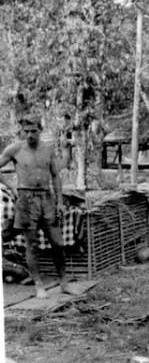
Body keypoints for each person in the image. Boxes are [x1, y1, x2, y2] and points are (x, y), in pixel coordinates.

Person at [0, 114, 76, 299]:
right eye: (26, 131)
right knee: (32, 245)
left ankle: (64, 283)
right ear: (22, 131)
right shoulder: (15, 149)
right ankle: (39, 285)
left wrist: (59, 201)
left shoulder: (48, 149)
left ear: (40, 130)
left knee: (58, 243)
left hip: (47, 199)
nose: (30, 135)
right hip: (26, 200)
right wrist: (11, 187)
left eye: (33, 131)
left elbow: (56, 175)